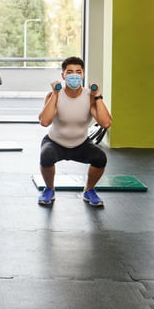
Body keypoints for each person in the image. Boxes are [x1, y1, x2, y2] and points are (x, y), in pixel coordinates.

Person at [37, 56, 112, 207]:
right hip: (55, 142)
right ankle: (49, 189)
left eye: (78, 72)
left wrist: (97, 96)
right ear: (63, 75)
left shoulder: (90, 97)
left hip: (81, 143)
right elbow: (45, 121)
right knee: (46, 156)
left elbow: (106, 122)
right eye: (70, 72)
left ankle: (89, 190)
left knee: (100, 158)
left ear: (83, 74)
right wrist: (55, 94)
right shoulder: (53, 96)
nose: (74, 75)